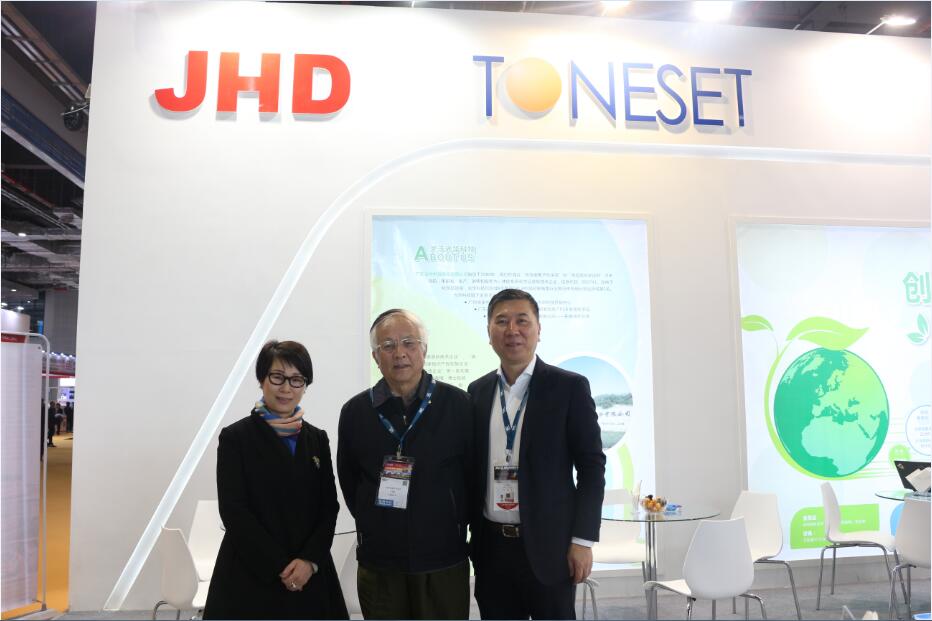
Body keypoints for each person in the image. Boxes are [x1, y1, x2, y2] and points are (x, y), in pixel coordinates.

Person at [468, 289, 606, 620]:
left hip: (551, 549)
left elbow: (591, 468)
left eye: (522, 320)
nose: (512, 330)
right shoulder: (477, 391)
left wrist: (583, 540)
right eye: (501, 321)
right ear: (489, 332)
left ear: (538, 329)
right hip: (492, 549)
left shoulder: (569, 387)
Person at [337, 309, 473, 619]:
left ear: (424, 349)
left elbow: (472, 478)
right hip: (380, 561)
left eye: (409, 343)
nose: (399, 353)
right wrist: (375, 522)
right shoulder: (355, 412)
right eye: (387, 345)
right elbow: (350, 480)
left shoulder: (459, 405)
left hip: (443, 558)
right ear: (375, 357)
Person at [203, 340, 348, 620]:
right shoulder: (236, 438)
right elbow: (234, 510)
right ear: (262, 380)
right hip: (251, 572)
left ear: (305, 386)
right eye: (278, 377)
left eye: (296, 379)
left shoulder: (317, 439)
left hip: (309, 573)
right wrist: (279, 565)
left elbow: (329, 507)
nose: (286, 388)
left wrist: (308, 561)